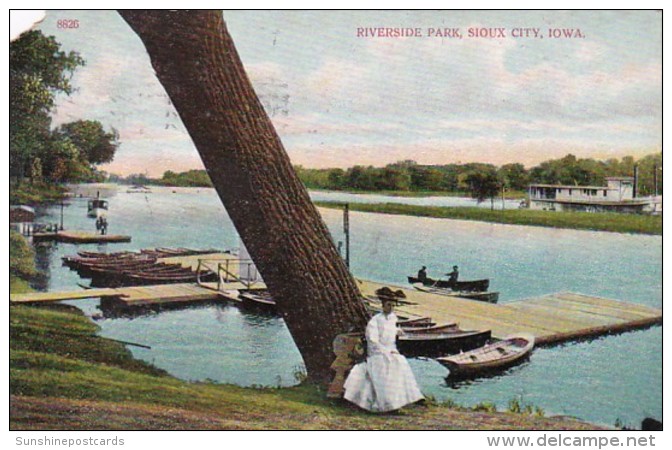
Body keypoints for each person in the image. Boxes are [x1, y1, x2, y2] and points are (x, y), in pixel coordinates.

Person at [343, 287, 424, 412]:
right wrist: (385, 351)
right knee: (386, 365)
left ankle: (398, 402)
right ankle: (386, 404)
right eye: (388, 305)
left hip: (390, 350)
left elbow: (390, 332)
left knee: (401, 363)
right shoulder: (375, 321)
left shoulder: (393, 318)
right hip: (377, 353)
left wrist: (398, 331)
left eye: (393, 305)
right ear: (383, 305)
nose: (390, 308)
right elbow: (372, 340)